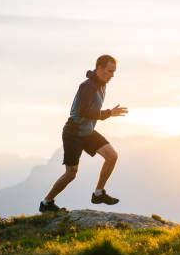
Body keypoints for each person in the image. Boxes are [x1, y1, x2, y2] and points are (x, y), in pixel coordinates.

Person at [39, 54, 128, 212]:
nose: (112, 75)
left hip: (87, 132)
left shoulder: (102, 85)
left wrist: (106, 114)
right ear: (99, 68)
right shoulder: (89, 86)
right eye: (109, 71)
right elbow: (83, 111)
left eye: (114, 71)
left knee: (112, 156)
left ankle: (98, 193)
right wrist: (108, 113)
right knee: (71, 174)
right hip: (73, 132)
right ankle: (46, 203)